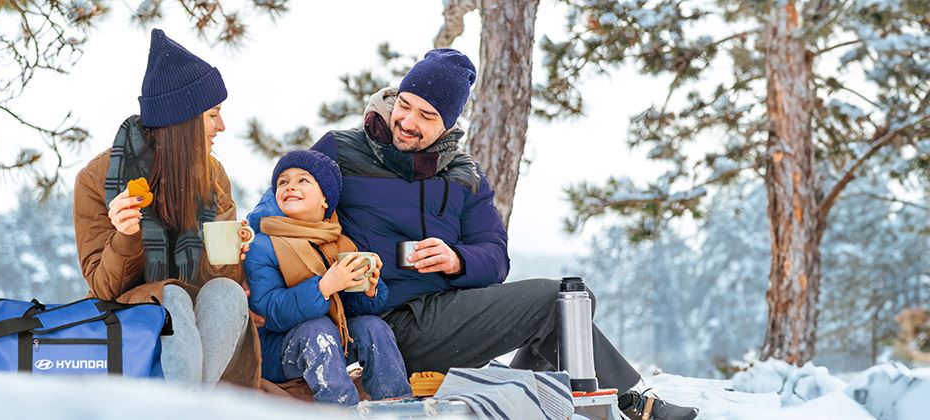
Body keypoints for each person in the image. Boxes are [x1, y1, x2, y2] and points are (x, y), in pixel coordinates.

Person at [281, 48, 696, 419]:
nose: (406, 122)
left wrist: (456, 259)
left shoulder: (466, 177)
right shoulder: (340, 150)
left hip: (444, 312)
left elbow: (495, 257)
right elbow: (280, 202)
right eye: (404, 106)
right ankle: (631, 403)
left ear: (447, 124)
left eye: (427, 116)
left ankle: (524, 388)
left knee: (573, 304)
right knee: (558, 303)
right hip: (378, 323)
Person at [72, 29, 259, 388]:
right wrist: (126, 237)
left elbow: (221, 282)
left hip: (196, 324)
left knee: (227, 293)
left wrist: (230, 251)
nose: (221, 126)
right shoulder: (98, 179)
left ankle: (190, 405)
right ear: (184, 120)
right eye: (213, 114)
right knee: (171, 295)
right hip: (129, 320)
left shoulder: (213, 175)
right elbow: (102, 287)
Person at [243, 150, 412, 405]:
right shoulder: (264, 245)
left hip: (331, 341)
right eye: (283, 182)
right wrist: (323, 288)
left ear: (325, 199)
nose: (291, 186)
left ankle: (396, 402)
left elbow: (347, 308)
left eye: (303, 180)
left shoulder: (339, 242)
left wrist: (368, 291)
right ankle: (340, 407)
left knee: (372, 327)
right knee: (317, 330)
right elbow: (269, 310)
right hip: (278, 350)